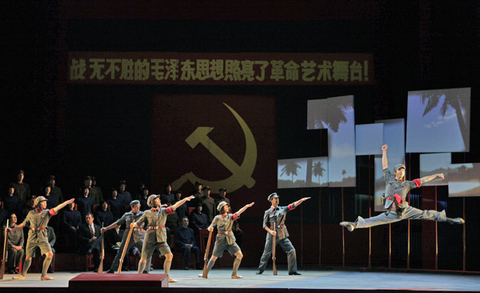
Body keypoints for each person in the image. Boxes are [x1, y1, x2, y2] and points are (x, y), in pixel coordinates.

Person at [340, 144, 465, 232]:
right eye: (400, 170)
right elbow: (384, 165)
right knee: (374, 220)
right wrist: (384, 152)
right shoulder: (388, 178)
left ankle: (450, 219)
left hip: (405, 210)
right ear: (395, 172)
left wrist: (436, 175)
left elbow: (423, 180)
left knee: (426, 214)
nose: (402, 172)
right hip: (392, 213)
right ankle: (353, 225)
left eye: (403, 170)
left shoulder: (407, 184)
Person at [131, 194, 195, 283]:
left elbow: (175, 206)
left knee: (169, 255)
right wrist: (134, 225)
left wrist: (184, 199)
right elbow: (139, 222)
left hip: (161, 237)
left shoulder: (164, 211)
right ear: (153, 202)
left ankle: (166, 276)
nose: (159, 200)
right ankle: (139, 276)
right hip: (150, 237)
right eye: (157, 199)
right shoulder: (147, 212)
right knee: (144, 258)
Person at [9, 196, 75, 280]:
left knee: (50, 254)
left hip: (42, 236)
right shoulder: (31, 213)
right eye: (43, 202)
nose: (45, 203)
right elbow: (23, 224)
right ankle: (23, 275)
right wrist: (12, 229)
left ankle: (43, 275)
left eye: (45, 202)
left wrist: (66, 202)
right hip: (32, 235)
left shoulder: (47, 212)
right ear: (38, 203)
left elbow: (57, 208)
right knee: (28, 257)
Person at [256, 193, 311, 276]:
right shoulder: (267, 212)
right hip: (272, 234)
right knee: (267, 252)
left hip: (282, 233)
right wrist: (271, 231)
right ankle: (260, 269)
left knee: (291, 250)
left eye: (278, 198)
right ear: (271, 200)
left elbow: (292, 205)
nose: (277, 199)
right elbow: (264, 225)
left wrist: (301, 200)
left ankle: (292, 271)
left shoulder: (283, 209)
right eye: (275, 198)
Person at [200, 201, 254, 279]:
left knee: (239, 255)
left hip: (230, 238)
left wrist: (246, 206)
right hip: (220, 239)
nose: (227, 207)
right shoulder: (217, 217)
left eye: (227, 206)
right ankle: (205, 273)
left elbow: (238, 213)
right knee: (214, 257)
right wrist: (210, 228)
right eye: (225, 206)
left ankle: (234, 274)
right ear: (222, 208)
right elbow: (211, 225)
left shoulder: (230, 216)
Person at [101, 200, 150, 273]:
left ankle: (145, 269)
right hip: (128, 236)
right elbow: (117, 223)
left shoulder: (142, 214)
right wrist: (106, 228)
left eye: (139, 207)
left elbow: (151, 215)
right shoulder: (127, 215)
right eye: (136, 207)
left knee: (147, 250)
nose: (138, 208)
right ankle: (113, 268)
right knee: (121, 252)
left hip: (138, 236)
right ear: (132, 207)